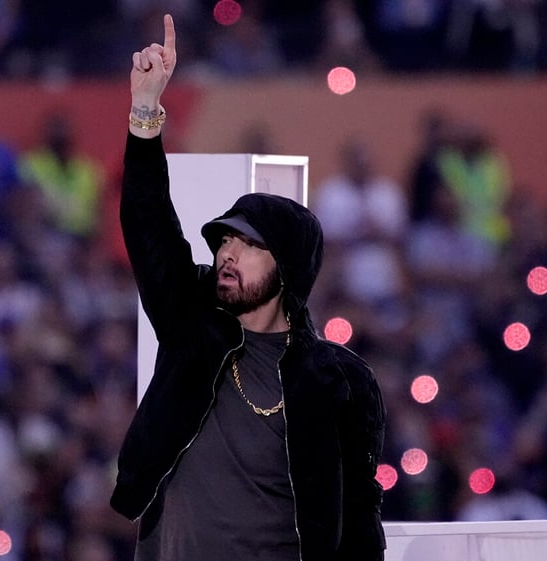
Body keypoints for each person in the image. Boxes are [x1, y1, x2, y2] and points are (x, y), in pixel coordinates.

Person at [109, 14, 387, 561]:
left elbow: (358, 516)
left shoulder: (338, 380)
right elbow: (150, 231)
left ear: (288, 269)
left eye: (248, 245)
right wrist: (145, 113)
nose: (227, 254)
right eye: (224, 241)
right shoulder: (193, 325)